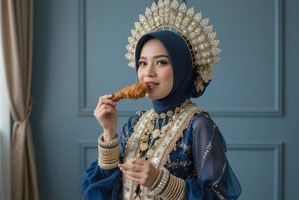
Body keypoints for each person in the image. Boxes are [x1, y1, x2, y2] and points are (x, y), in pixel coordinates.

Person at [81, 0, 242, 199]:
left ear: (183, 67)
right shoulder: (135, 123)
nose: (148, 72)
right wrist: (108, 132)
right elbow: (104, 190)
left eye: (161, 62)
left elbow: (220, 196)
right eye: (142, 63)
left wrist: (162, 183)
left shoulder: (199, 125)